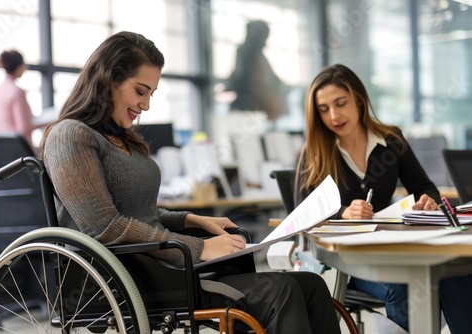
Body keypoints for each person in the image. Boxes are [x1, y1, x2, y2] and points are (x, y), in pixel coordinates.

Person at [39, 31, 341, 334]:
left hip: (163, 266)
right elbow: (103, 227)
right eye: (140, 91)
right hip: (127, 277)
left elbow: (141, 213)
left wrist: (192, 219)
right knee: (282, 290)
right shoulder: (70, 136)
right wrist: (198, 247)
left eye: (150, 94)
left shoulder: (121, 138)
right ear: (109, 79)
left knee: (311, 285)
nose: (145, 105)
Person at [294, 63, 472, 333]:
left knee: (452, 271)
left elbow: (424, 186)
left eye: (341, 103)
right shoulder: (317, 150)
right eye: (323, 109)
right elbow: (301, 207)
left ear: (359, 98)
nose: (334, 115)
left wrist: (427, 200)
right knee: (403, 285)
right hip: (344, 261)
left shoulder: (391, 140)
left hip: (390, 248)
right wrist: (343, 212)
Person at [225, 20, 288, 123]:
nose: (265, 41)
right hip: (250, 106)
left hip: (260, 107)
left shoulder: (260, 57)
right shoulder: (245, 53)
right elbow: (241, 77)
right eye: (264, 37)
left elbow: (272, 80)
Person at [0, 50, 40, 150]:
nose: (25, 68)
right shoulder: (16, 92)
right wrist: (47, 122)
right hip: (16, 151)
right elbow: (23, 128)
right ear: (19, 67)